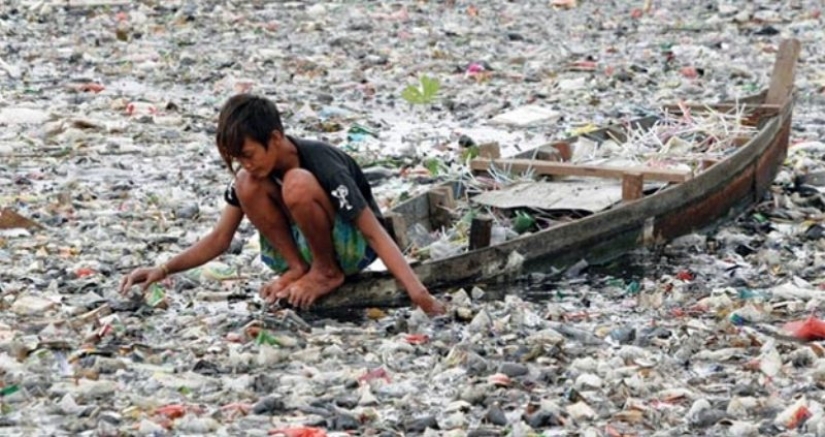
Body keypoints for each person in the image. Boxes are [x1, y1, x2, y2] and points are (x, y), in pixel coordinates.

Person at [120, 94, 445, 315]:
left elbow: (374, 232)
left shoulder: (322, 163)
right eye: (237, 158)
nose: (245, 163)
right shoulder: (252, 174)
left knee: (297, 183)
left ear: (275, 139)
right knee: (246, 185)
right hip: (304, 249)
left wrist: (419, 294)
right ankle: (298, 268)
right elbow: (220, 239)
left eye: (248, 154)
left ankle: (326, 271)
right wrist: (162, 269)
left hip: (351, 248)